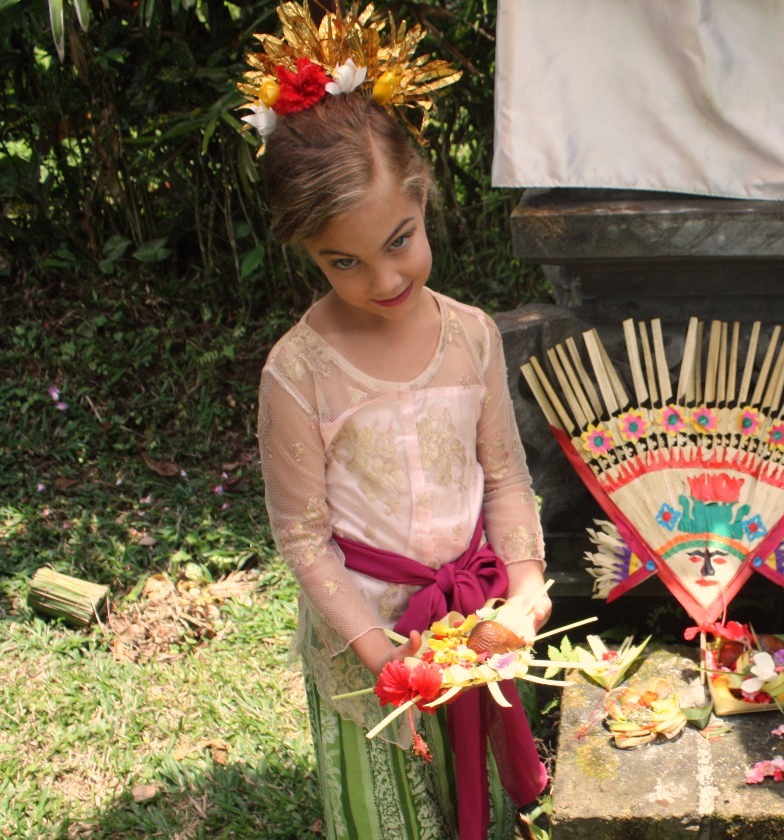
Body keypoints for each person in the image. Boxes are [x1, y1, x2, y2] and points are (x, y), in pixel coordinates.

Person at [243, 5, 548, 838]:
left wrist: (522, 589)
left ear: (421, 197)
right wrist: (383, 654)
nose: (382, 278)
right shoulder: (297, 373)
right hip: (369, 636)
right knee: (389, 811)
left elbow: (506, 476)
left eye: (400, 240)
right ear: (307, 254)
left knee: (468, 790)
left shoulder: (472, 337)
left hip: (468, 626)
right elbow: (303, 538)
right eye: (343, 262)